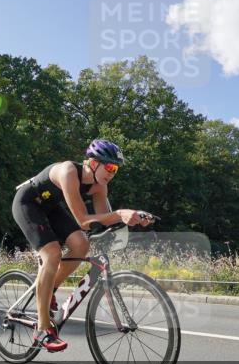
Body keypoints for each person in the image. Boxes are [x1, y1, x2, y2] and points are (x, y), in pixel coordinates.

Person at [12, 139, 154, 352]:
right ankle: (42, 329)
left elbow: (102, 218)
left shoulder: (100, 186)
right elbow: (82, 219)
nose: (112, 173)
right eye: (109, 166)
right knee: (52, 253)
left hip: (50, 208)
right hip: (28, 204)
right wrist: (120, 213)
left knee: (81, 244)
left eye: (116, 169)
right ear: (93, 162)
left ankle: (49, 289)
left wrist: (135, 217)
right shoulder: (68, 171)